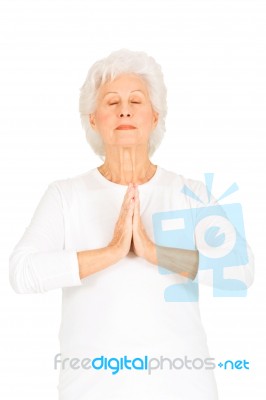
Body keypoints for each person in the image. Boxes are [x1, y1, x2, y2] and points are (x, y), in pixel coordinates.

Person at [9, 49, 254, 400]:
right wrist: (111, 252)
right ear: (93, 119)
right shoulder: (66, 195)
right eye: (112, 102)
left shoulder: (191, 193)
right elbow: (22, 271)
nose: (124, 110)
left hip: (183, 388)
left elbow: (241, 268)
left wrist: (154, 252)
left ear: (155, 116)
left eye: (136, 100)